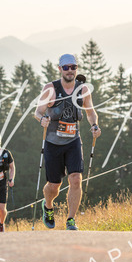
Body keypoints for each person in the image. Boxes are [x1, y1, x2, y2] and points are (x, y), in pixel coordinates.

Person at [34, 54, 102, 230]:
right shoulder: (50, 89)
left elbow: (90, 112)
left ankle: (71, 219)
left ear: (76, 69)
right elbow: (38, 111)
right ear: (60, 69)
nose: (70, 71)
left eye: (73, 67)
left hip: (73, 141)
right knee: (54, 186)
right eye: (66, 67)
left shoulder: (83, 90)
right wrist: (42, 119)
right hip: (53, 142)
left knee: (76, 179)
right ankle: (48, 205)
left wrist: (94, 125)